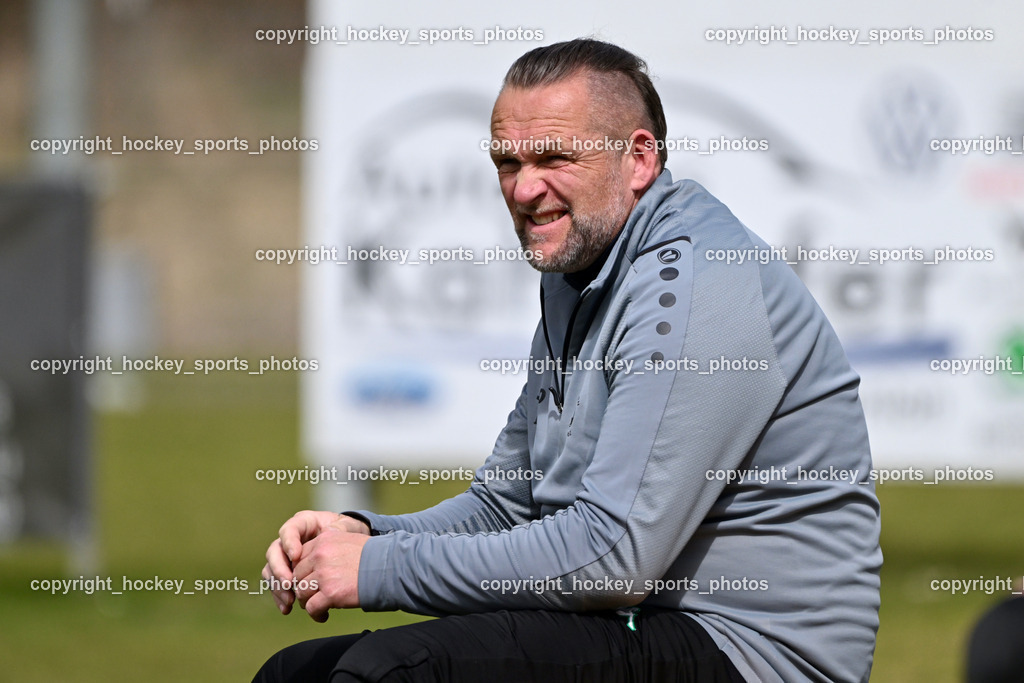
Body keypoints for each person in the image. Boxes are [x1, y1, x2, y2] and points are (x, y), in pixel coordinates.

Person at [255, 38, 882, 683]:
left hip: (752, 653)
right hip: (639, 621)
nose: (526, 188)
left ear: (638, 159)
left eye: (555, 157)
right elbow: (510, 504)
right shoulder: (582, 268)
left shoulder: (694, 285)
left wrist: (380, 571)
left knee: (388, 673)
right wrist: (363, 537)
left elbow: (614, 559)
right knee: (295, 673)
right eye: (507, 161)